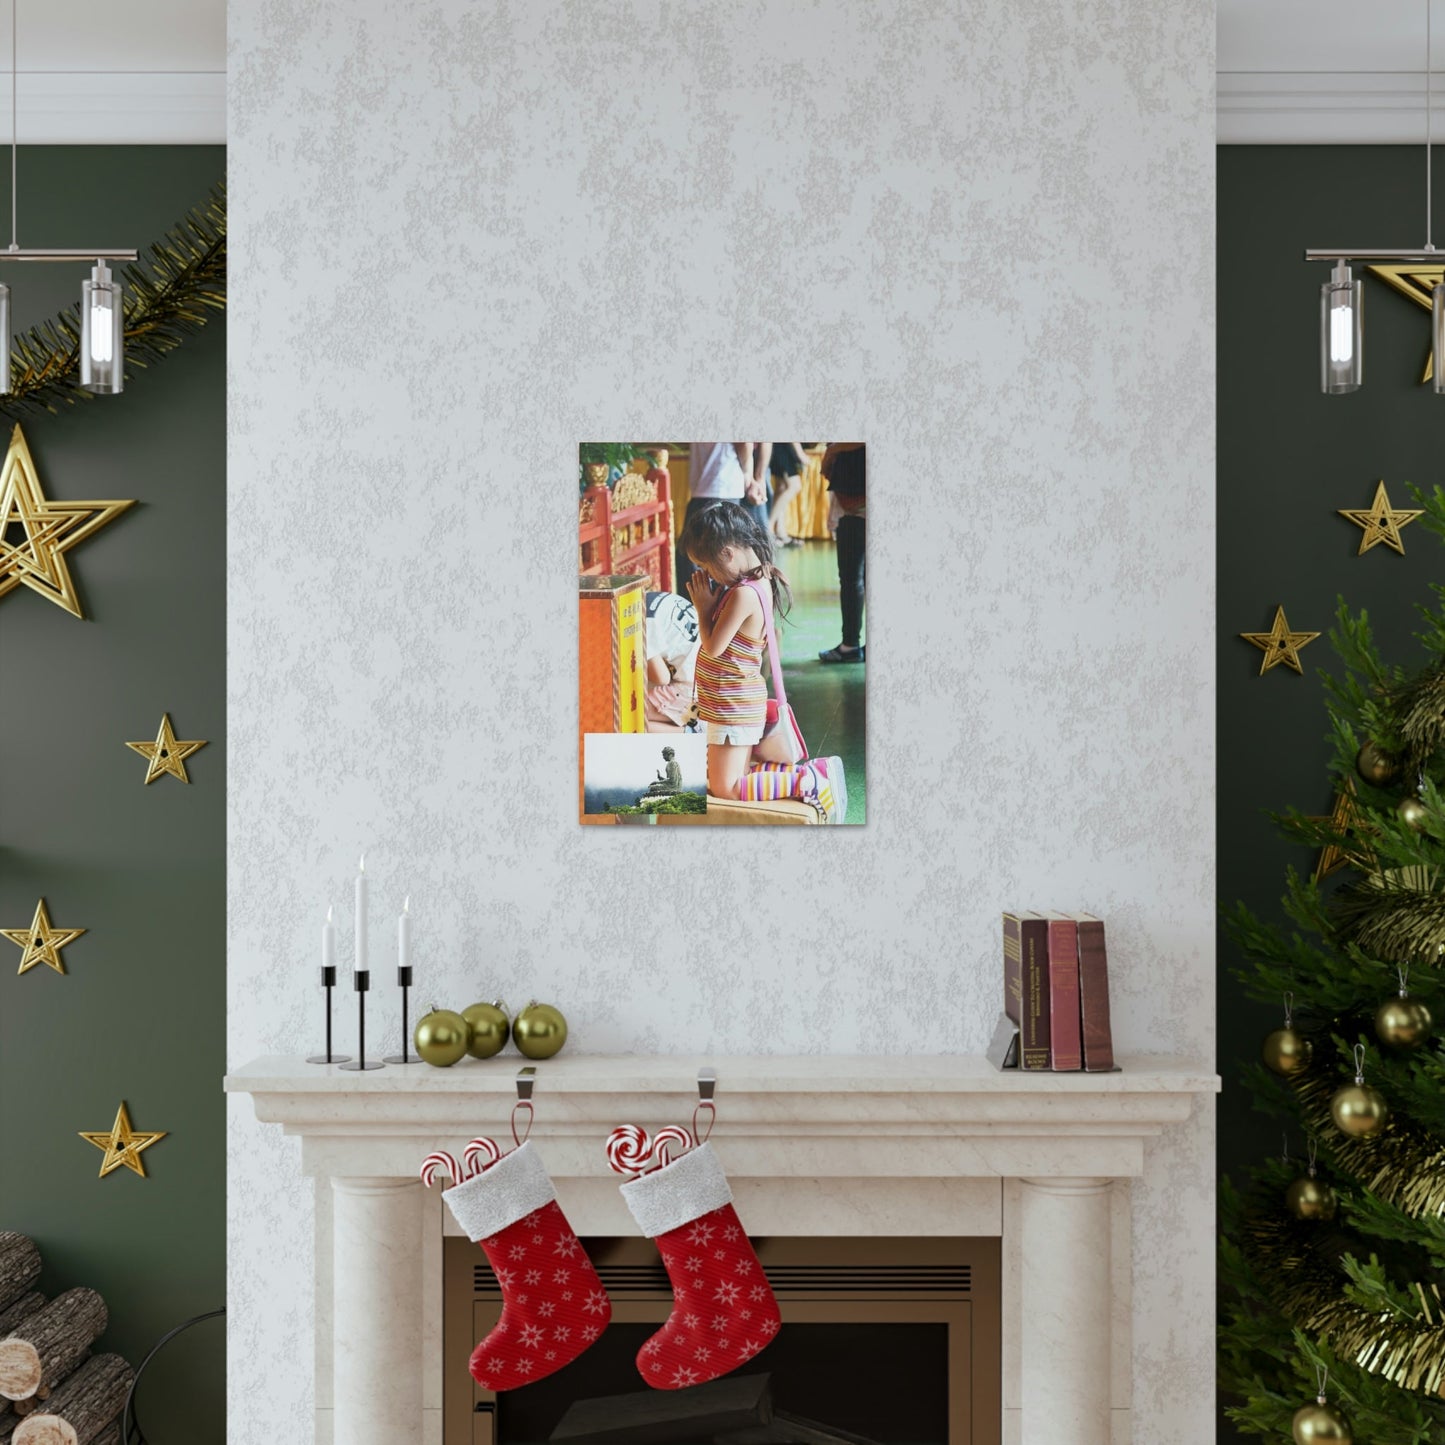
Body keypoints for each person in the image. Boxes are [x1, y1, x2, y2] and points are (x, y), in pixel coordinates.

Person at [680, 502, 847, 821]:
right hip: (733, 705)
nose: (710, 577)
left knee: (726, 788)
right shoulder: (756, 582)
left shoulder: (743, 594)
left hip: (733, 706)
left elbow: (714, 647)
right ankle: (794, 775)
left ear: (727, 553)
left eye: (709, 567)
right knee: (734, 778)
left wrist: (703, 609)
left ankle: (809, 780)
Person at [676, 443, 749, 597]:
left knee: (714, 555)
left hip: (721, 483)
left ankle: (712, 608)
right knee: (693, 554)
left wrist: (748, 475)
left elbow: (744, 443)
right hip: (709, 487)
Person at [818, 442, 866, 663]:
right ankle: (852, 644)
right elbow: (826, 472)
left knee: (851, 580)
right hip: (853, 513)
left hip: (855, 515)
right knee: (856, 581)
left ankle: (850, 645)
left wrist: (834, 449)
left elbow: (827, 471)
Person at [643, 590, 700, 729]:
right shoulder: (653, 597)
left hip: (692, 691)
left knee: (630, 714)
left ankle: (696, 735)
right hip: (710, 675)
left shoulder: (642, 623)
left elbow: (662, 678)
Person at [767, 442, 808, 546]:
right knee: (794, 486)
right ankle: (769, 527)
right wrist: (800, 453)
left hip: (777, 447)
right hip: (782, 447)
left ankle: (780, 532)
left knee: (781, 488)